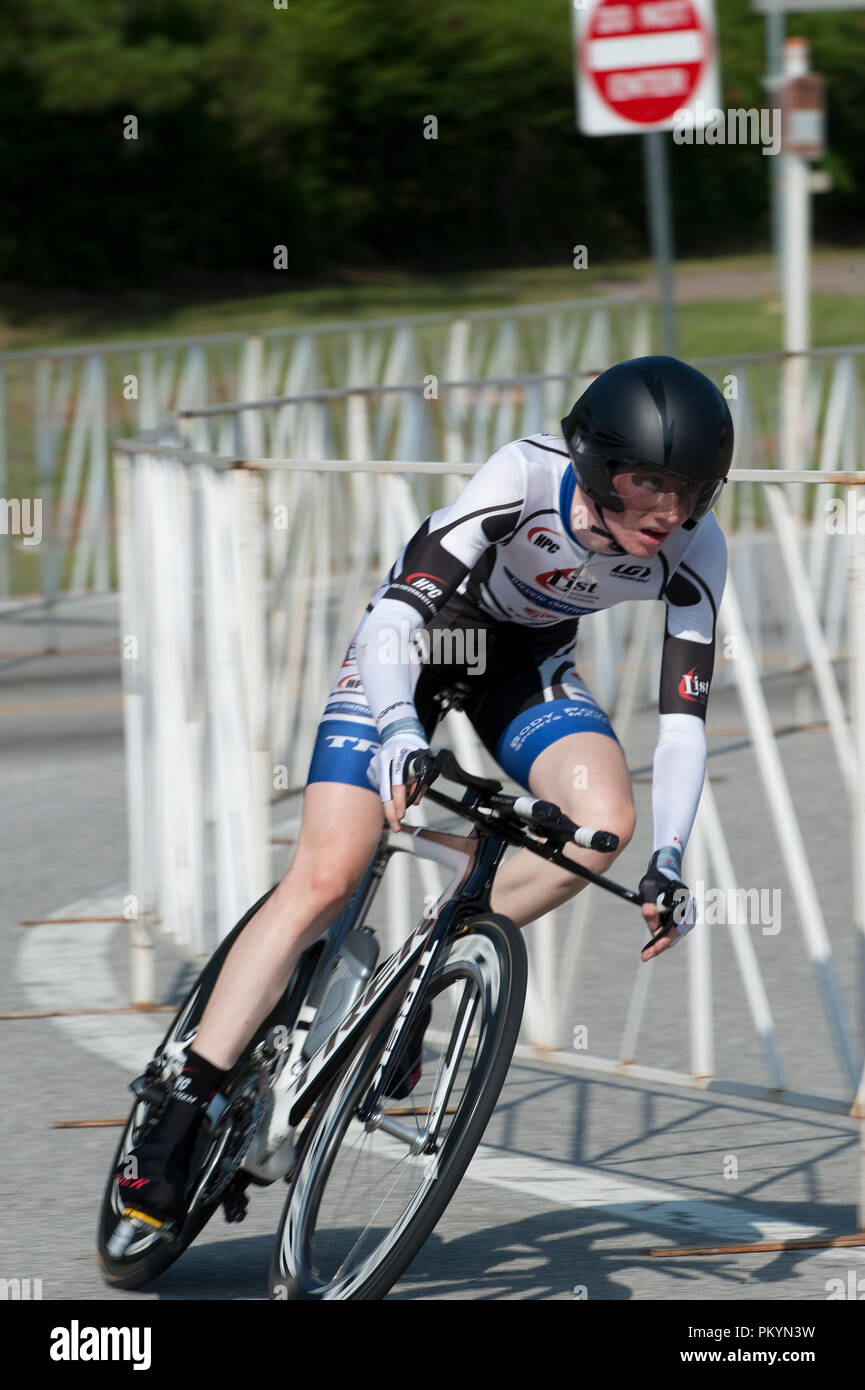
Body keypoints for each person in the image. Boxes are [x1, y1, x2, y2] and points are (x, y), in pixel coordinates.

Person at [114, 354, 733, 1223]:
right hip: (416, 648)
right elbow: (396, 618)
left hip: (525, 668)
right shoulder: (522, 477)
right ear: (595, 466)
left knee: (602, 829)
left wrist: (669, 858)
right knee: (328, 875)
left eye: (692, 491)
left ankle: (414, 971)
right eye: (649, 486)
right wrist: (400, 732)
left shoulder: (692, 549)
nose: (670, 513)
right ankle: (175, 1113)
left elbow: (681, 725)